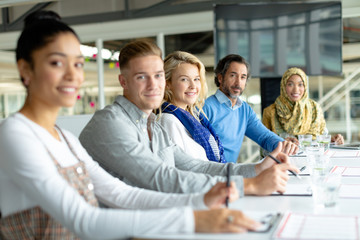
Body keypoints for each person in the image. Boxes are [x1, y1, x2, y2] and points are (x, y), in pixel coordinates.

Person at [0, 10, 260, 239]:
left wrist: (200, 200)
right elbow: (83, 220)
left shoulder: (64, 137)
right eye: (57, 62)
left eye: (78, 63)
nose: (73, 75)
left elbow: (122, 194)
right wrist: (192, 219)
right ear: (25, 69)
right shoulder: (15, 133)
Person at [79, 40, 299, 197]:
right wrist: (248, 186)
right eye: (141, 77)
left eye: (157, 76)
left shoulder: (154, 127)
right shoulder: (110, 123)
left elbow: (197, 167)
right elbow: (160, 178)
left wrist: (257, 169)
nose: (153, 85)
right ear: (123, 81)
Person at [202, 54, 299, 163]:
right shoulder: (206, 108)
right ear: (220, 78)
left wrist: (283, 144)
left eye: (243, 77)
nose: (238, 83)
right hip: (211, 174)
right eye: (233, 75)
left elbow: (264, 137)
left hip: (229, 172)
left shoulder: (244, 109)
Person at [159, 51, 226, 163]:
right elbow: (179, 169)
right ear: (167, 84)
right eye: (184, 79)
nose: (193, 86)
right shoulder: (168, 121)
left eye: (196, 79)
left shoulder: (196, 117)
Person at [262, 67, 344, 144]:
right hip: (282, 159)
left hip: (311, 158)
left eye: (300, 84)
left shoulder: (314, 108)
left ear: (305, 87)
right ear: (283, 86)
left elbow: (322, 140)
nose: (296, 90)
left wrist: (332, 141)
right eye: (290, 84)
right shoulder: (270, 112)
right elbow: (264, 147)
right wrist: (279, 144)